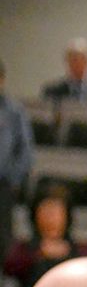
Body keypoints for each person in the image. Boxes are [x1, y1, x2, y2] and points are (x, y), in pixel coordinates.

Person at [3, 182, 87, 287]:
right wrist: (38, 254)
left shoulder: (81, 249)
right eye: (46, 211)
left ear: (66, 215)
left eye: (56, 211)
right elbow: (9, 267)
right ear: (35, 215)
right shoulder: (25, 248)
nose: (51, 217)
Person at [0, 58, 35, 261]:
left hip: (3, 185)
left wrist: (12, 179)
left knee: (3, 239)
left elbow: (26, 151)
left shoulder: (14, 111)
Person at [40, 38, 87, 105]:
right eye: (74, 59)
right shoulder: (52, 92)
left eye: (82, 59)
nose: (78, 63)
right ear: (67, 61)